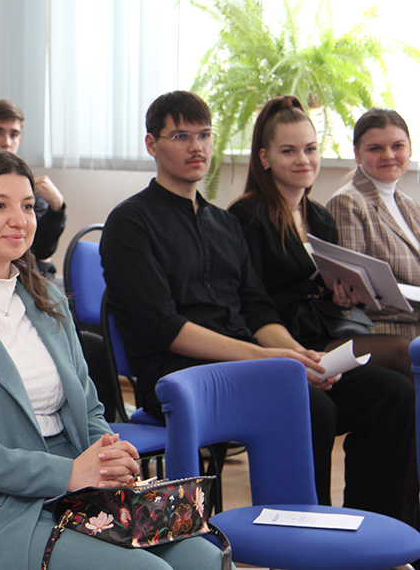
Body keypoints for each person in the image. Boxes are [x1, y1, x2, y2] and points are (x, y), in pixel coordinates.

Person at [0, 146, 222, 570]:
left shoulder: (47, 298)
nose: (20, 219)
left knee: (206, 559)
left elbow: (88, 407)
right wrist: (67, 474)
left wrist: (107, 455)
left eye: (27, 205)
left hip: (81, 490)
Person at [100, 90, 416, 523]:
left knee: (391, 394)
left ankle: (372, 531)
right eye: (181, 136)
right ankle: (305, 539)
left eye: (204, 135)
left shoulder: (222, 223)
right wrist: (270, 359)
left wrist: (299, 355)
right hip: (179, 374)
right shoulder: (131, 221)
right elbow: (163, 327)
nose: (196, 147)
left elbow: (257, 310)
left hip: (247, 366)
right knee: (309, 405)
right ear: (152, 144)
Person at [229, 95, 411, 377]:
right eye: (288, 151)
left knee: (395, 385)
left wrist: (341, 298)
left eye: (310, 149)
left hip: (321, 332)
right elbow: (252, 304)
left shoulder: (320, 217)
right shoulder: (248, 216)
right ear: (265, 158)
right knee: (401, 353)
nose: (303, 160)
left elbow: (325, 293)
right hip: (279, 342)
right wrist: (300, 354)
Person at [327, 108, 420, 339]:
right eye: (375, 148)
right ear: (357, 155)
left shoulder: (408, 205)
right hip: (391, 331)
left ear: (410, 150)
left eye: (397, 146)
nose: (389, 155)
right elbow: (357, 291)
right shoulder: (348, 203)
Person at [0, 99, 67, 276]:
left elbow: (42, 249)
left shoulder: (29, 187)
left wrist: (57, 207)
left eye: (14, 135)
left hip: (29, 276)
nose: (6, 142)